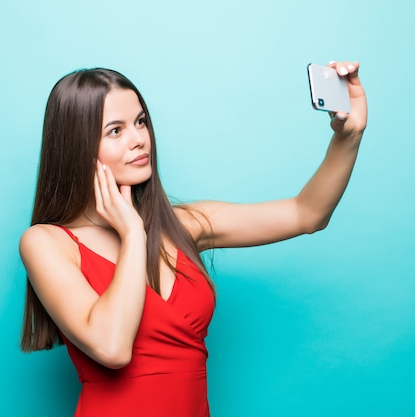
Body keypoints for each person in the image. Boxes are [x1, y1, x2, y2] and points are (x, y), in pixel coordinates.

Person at [19, 61, 367, 417]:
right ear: (76, 148)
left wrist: (348, 137)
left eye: (140, 122)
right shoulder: (46, 243)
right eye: (115, 130)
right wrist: (132, 235)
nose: (139, 139)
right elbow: (112, 347)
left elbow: (307, 214)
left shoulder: (184, 225)